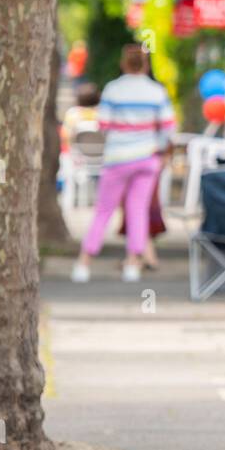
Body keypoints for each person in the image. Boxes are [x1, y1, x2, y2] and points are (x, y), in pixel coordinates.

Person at [71, 45, 175, 283]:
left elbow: (104, 125)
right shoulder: (157, 92)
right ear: (146, 65)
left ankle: (84, 263)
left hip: (117, 158)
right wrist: (158, 152)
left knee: (103, 211)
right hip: (147, 158)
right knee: (138, 211)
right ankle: (133, 264)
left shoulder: (113, 90)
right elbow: (168, 129)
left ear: (123, 64)